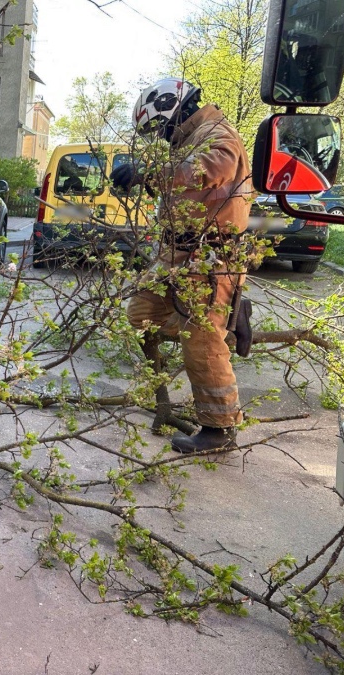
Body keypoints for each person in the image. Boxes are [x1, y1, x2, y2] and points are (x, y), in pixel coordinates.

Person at [111, 78, 253, 454]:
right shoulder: (191, 137)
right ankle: (232, 315)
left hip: (211, 259)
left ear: (173, 112)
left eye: (160, 130)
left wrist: (147, 173)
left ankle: (219, 431)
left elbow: (206, 171)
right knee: (142, 313)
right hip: (176, 257)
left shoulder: (218, 133)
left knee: (201, 342)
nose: (161, 138)